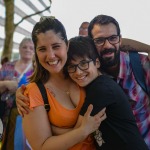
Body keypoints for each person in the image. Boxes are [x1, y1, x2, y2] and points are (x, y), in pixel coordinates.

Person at [16, 16, 106, 150]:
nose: (51, 55)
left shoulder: (81, 75)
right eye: (42, 49)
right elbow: (41, 146)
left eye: (56, 46)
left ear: (67, 45)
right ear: (36, 52)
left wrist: (148, 48)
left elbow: (111, 43)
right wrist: (83, 131)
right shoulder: (33, 93)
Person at [65, 36, 148, 149]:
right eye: (71, 67)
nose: (78, 72)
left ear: (97, 63)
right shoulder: (97, 84)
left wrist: (51, 130)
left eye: (84, 63)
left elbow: (77, 132)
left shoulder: (101, 89)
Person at [87, 14, 150, 149]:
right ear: (91, 43)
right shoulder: (88, 75)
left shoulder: (141, 64)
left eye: (112, 38)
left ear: (120, 40)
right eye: (99, 41)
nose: (107, 45)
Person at [0, 37, 34, 149]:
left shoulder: (37, 69)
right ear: (19, 49)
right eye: (24, 47)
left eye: (31, 48)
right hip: (6, 113)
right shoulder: (7, 66)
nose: (27, 50)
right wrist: (5, 84)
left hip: (28, 114)